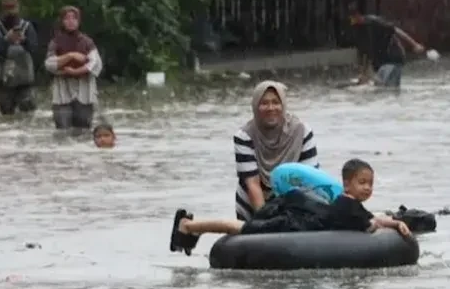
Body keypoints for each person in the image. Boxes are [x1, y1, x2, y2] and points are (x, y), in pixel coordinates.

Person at [170, 158, 411, 254]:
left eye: (370, 183)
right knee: (241, 228)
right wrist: (394, 223)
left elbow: (374, 219)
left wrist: (396, 221)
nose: (367, 188)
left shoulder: (349, 204)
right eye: (362, 183)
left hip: (299, 217)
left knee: (242, 227)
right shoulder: (350, 207)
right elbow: (372, 223)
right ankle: (189, 225)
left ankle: (194, 228)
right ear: (346, 184)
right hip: (293, 225)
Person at [233, 81, 319, 221]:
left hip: (294, 199)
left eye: (275, 102)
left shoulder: (302, 132)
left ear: (283, 105)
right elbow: (252, 183)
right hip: (252, 204)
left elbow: (309, 178)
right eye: (264, 103)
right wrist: (265, 220)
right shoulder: (244, 136)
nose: (271, 108)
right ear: (255, 106)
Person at [45, 6, 103, 130]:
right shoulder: (55, 43)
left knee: (83, 132)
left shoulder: (87, 42)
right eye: (67, 18)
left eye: (74, 18)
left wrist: (76, 71)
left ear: (79, 21)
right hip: (62, 94)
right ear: (62, 21)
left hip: (84, 94)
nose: (71, 21)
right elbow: (49, 64)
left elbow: (95, 63)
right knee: (62, 133)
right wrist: (70, 56)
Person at [0, 0, 38, 116]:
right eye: (7, 9)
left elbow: (34, 49)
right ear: (2, 10)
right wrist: (6, 40)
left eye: (13, 8)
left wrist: (24, 40)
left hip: (25, 80)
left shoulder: (27, 26)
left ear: (18, 8)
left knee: (28, 113)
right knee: (6, 113)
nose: (11, 12)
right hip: (4, 81)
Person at [351, 10, 425, 89]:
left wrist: (415, 44)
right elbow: (363, 54)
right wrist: (363, 74)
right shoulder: (359, 31)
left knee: (385, 88)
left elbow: (396, 30)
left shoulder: (374, 22)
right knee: (383, 88)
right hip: (381, 63)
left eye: (353, 19)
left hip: (392, 59)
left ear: (358, 16)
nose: (352, 22)